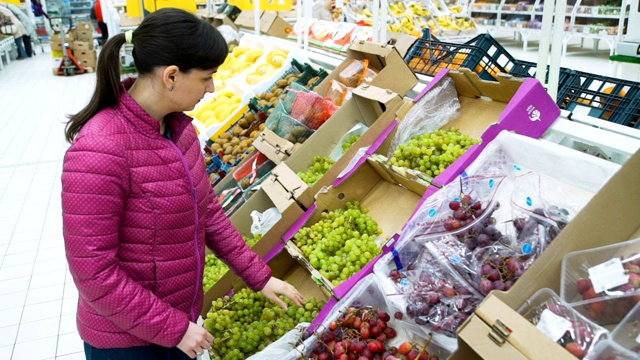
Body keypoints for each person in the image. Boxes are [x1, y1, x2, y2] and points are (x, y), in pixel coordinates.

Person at [62, 8, 305, 360]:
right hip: (129, 343)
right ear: (171, 76)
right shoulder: (99, 149)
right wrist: (171, 327)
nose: (213, 88)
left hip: (177, 324)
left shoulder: (179, 130)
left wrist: (259, 276)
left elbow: (208, 213)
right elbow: (93, 273)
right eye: (207, 78)